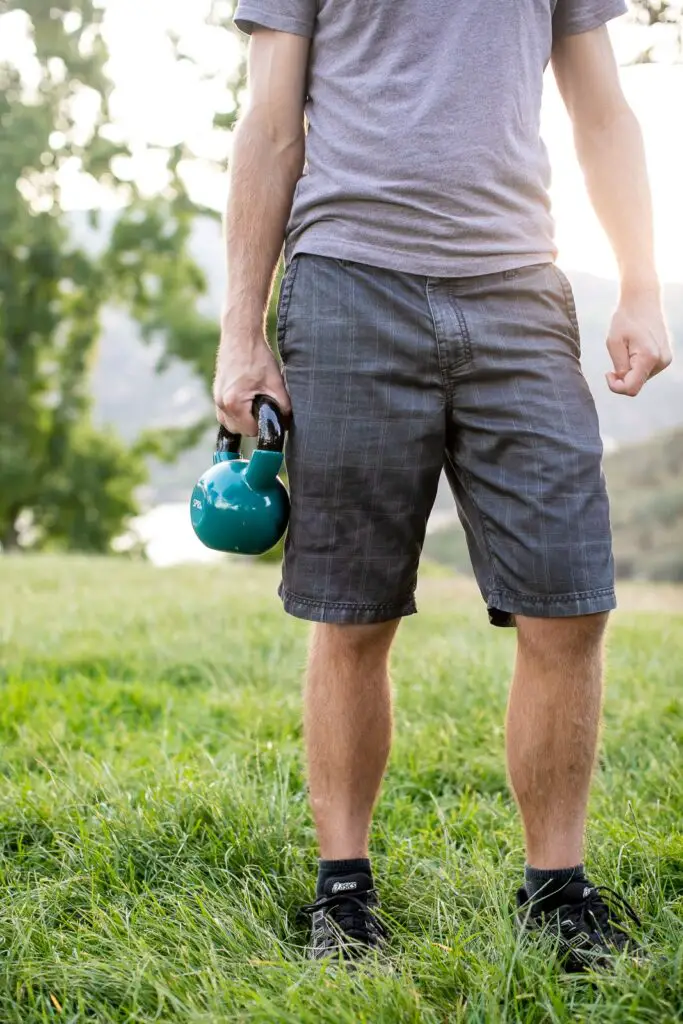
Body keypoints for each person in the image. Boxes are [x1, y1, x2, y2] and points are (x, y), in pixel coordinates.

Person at [213, 0, 672, 969]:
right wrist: (240, 332)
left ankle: (556, 891)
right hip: (346, 286)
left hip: (516, 287)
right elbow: (268, 124)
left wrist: (637, 284)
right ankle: (343, 891)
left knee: (567, 600)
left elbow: (602, 111)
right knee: (352, 610)